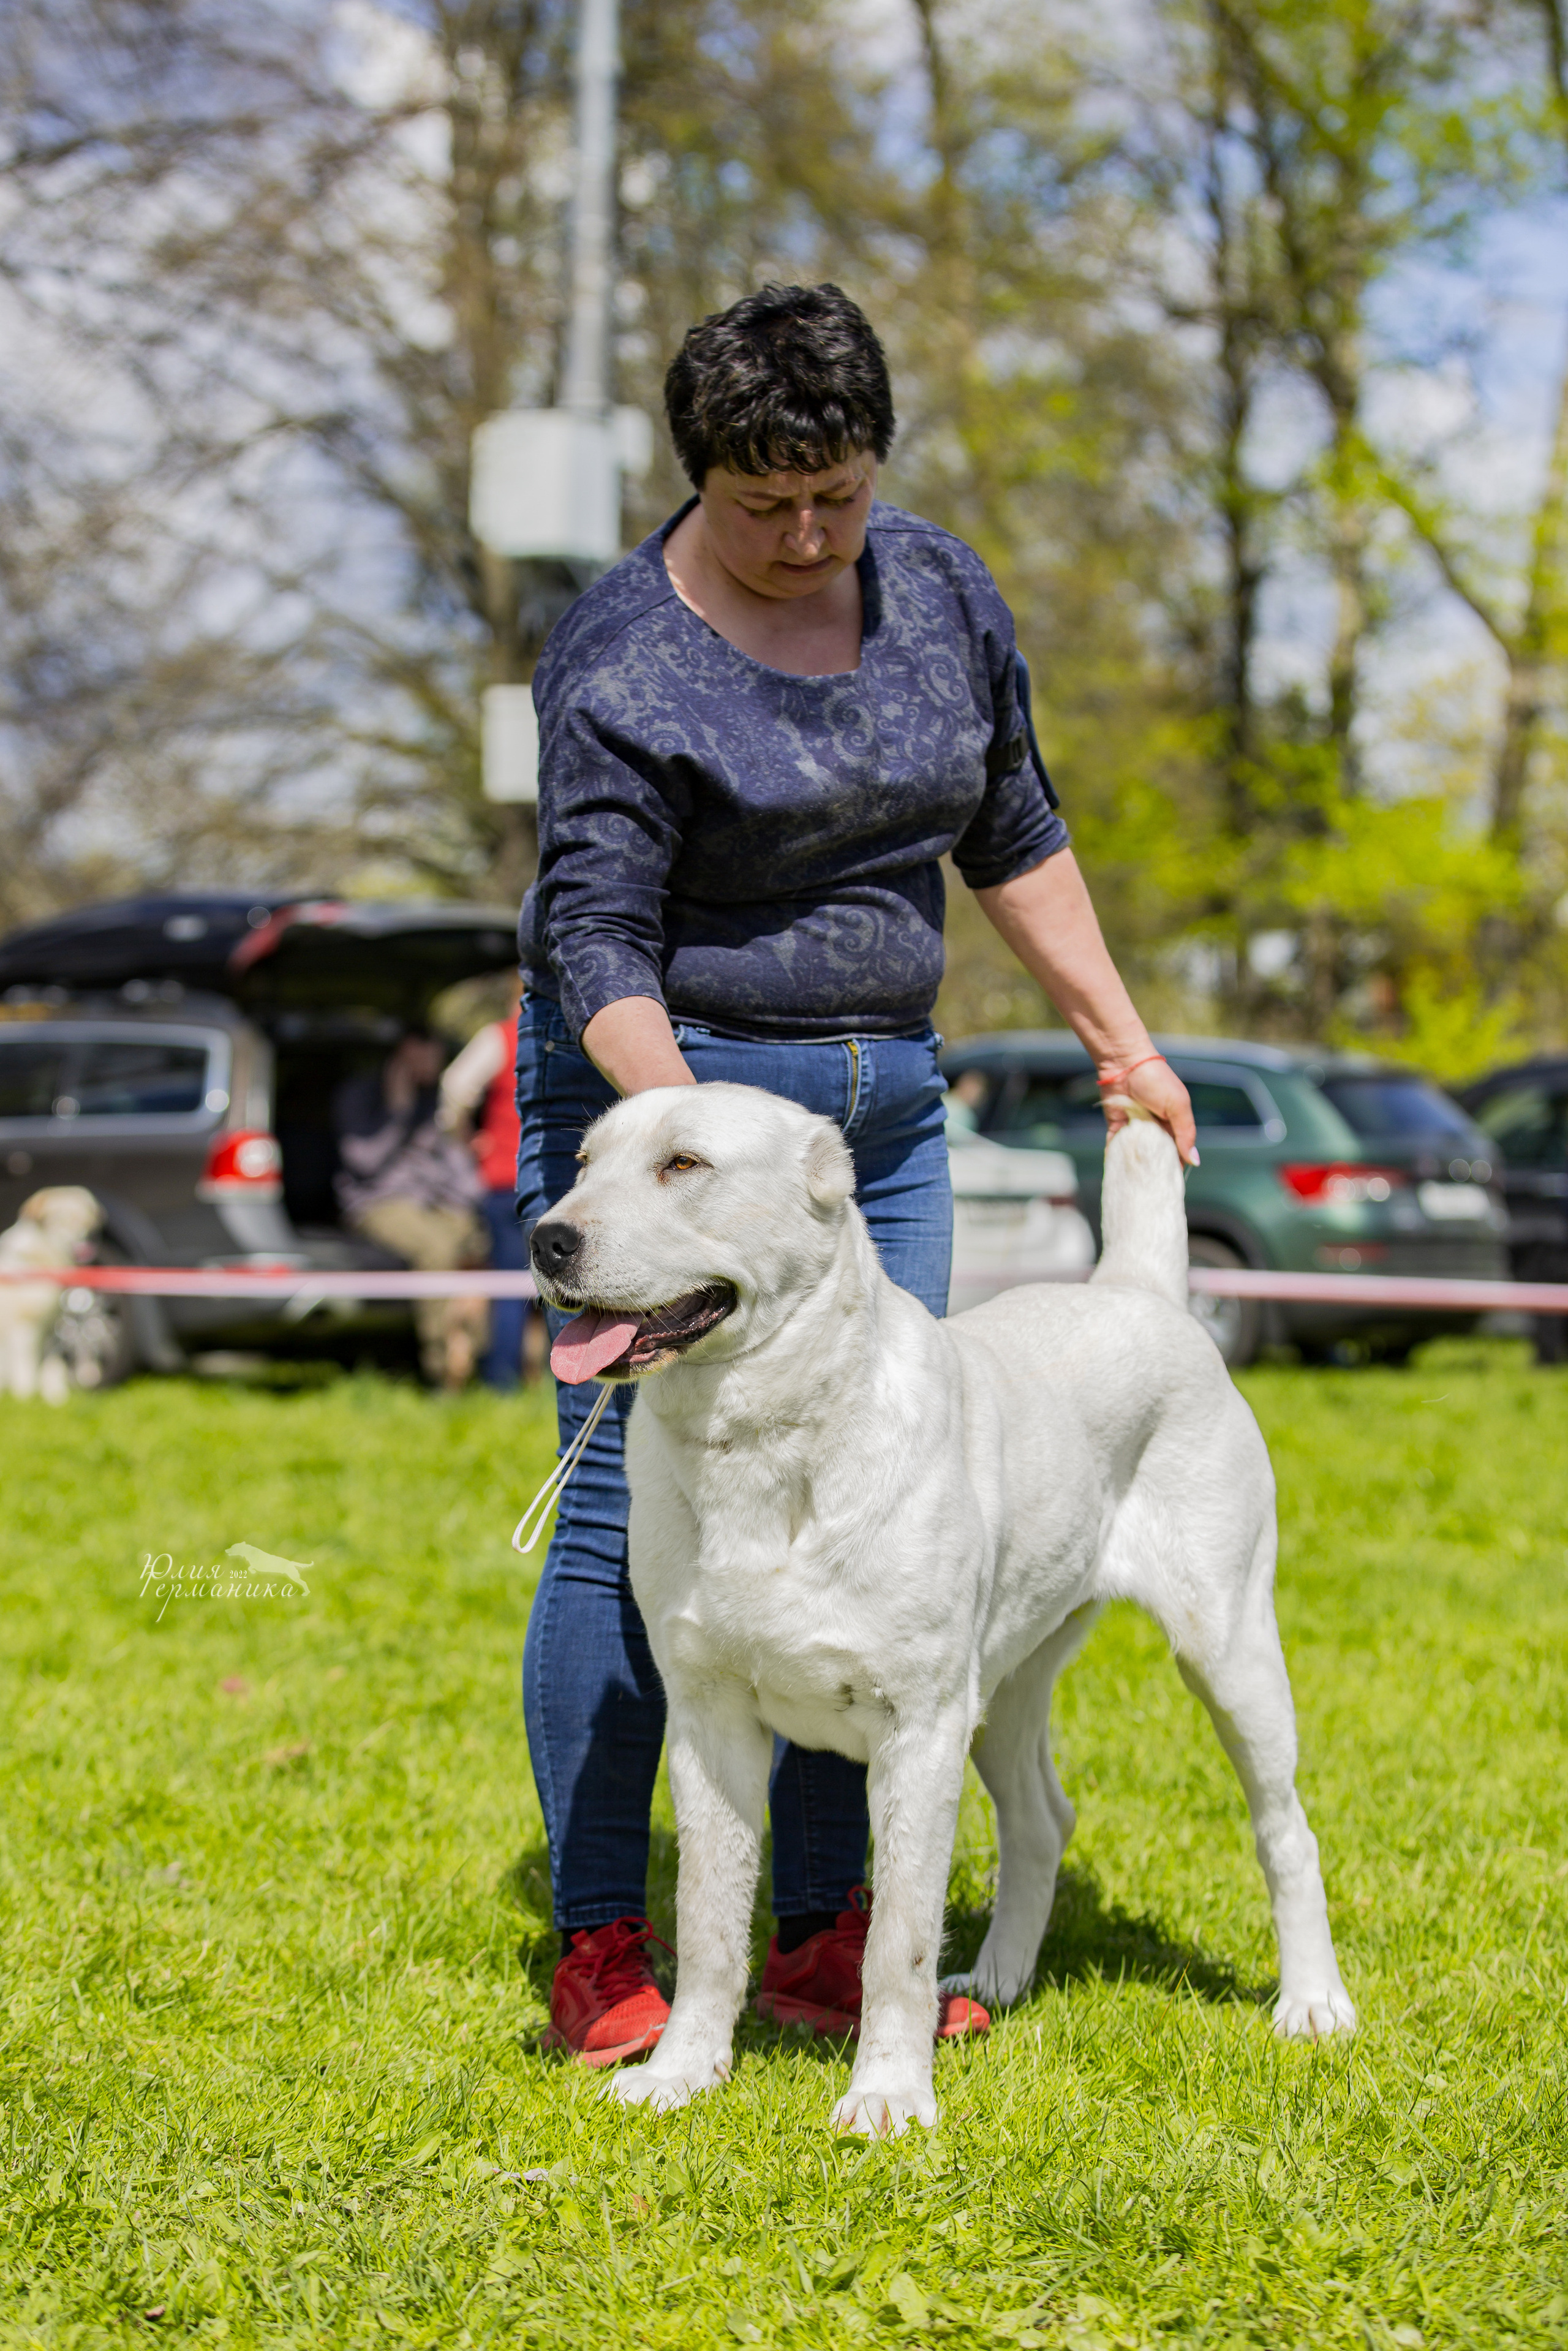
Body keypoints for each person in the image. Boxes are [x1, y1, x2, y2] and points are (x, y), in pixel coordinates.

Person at [514, 282, 1197, 2066]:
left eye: (841, 495)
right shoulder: (622, 654)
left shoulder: (943, 593)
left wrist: (1122, 1042)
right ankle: (605, 1936)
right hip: (662, 1090)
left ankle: (831, 1932)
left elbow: (1013, 827)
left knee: (885, 1502)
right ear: (700, 478)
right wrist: (691, 1162)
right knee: (629, 1518)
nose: (810, 536)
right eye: (767, 505)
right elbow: (595, 932)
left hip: (877, 1115)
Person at [333, 1028, 488, 1390]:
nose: (436, 1067)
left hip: (435, 1202)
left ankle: (473, 1357)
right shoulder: (360, 1094)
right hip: (377, 1202)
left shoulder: (433, 1098)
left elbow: (452, 1163)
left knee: (480, 1241)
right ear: (406, 1052)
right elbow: (364, 1161)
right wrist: (397, 1111)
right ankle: (440, 1369)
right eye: (428, 1058)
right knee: (438, 1249)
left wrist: (474, 1200)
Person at [438, 1009, 537, 1390]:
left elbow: (454, 1086)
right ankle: (569, 1384)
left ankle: (502, 1381)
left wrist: (465, 1138)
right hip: (560, 1179)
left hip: (505, 1176)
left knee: (510, 1285)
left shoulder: (502, 1035)